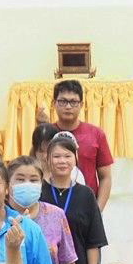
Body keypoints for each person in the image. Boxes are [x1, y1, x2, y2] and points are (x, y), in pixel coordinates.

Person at [42, 131, 108, 264]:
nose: (62, 161)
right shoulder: (39, 192)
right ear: (48, 159)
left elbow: (93, 241)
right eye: (56, 156)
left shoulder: (86, 195)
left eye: (67, 156)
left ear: (76, 158)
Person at [47, 77, 117, 206]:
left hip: (86, 205)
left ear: (81, 105)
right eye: (62, 101)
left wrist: (97, 210)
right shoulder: (46, 134)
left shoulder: (96, 134)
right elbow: (37, 168)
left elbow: (105, 177)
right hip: (51, 205)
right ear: (54, 103)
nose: (68, 106)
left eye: (73, 102)